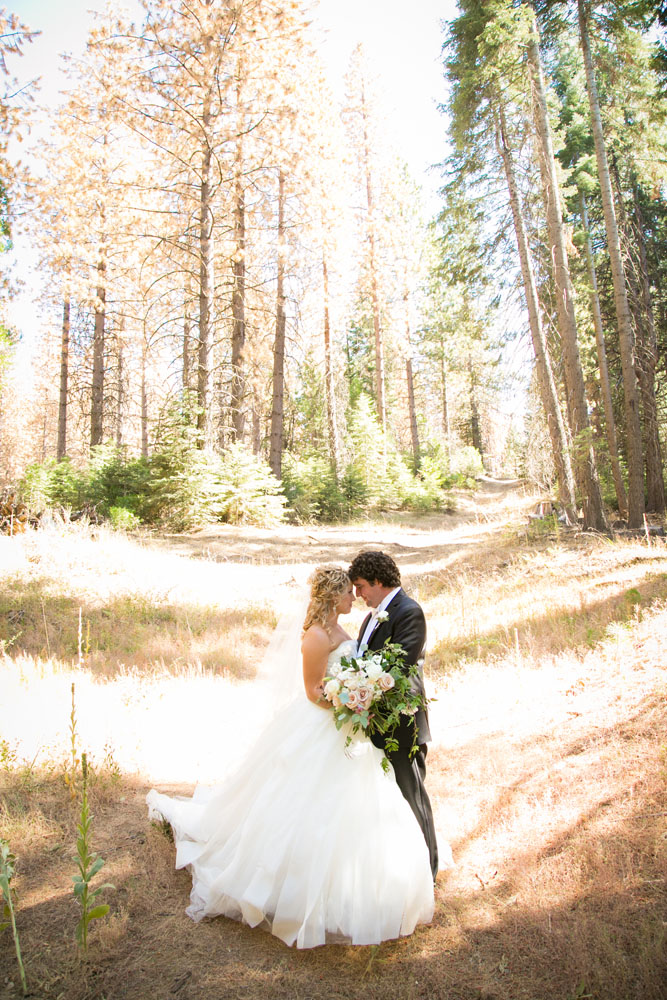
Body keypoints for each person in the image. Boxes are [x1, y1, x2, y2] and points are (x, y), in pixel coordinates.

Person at [146, 565, 434, 949]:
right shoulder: (315, 636)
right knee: (307, 804)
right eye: (348, 592)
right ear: (334, 596)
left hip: (351, 729)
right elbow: (314, 692)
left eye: (356, 590)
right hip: (326, 725)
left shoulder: (350, 627)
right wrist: (350, 701)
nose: (354, 597)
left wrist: (359, 697)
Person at [348, 550, 439, 880]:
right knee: (389, 797)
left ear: (377, 580)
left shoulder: (408, 612)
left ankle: (428, 869)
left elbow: (399, 667)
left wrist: (359, 686)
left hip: (403, 722)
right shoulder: (373, 615)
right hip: (376, 721)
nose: (358, 595)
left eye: (360, 587)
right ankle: (401, 870)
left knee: (411, 792)